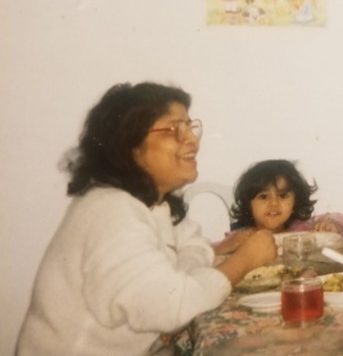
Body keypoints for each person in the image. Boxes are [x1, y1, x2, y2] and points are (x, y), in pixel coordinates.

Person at [16, 83, 277, 356]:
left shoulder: (154, 205)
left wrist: (186, 276)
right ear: (131, 146)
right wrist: (245, 260)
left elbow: (191, 248)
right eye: (175, 129)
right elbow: (172, 307)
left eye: (190, 127)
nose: (193, 140)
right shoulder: (111, 212)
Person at [215, 159, 343, 256]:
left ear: (295, 202)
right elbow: (202, 256)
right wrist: (225, 247)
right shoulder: (241, 236)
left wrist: (334, 226)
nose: (274, 203)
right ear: (248, 204)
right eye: (264, 197)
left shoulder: (303, 229)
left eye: (282, 196)